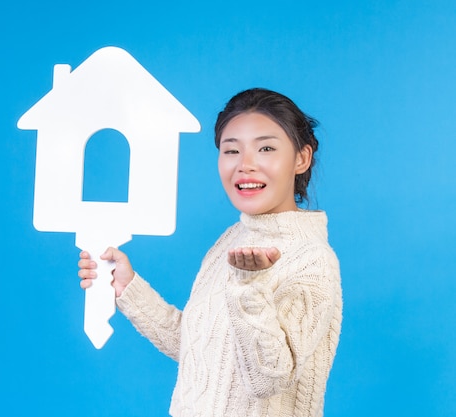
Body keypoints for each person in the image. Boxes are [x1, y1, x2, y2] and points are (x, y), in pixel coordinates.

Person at [78, 88, 342, 417]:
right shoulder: (230, 240)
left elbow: (267, 380)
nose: (245, 165)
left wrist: (250, 288)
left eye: (266, 148)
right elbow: (200, 349)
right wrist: (128, 288)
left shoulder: (311, 260)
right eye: (231, 150)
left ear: (301, 158)